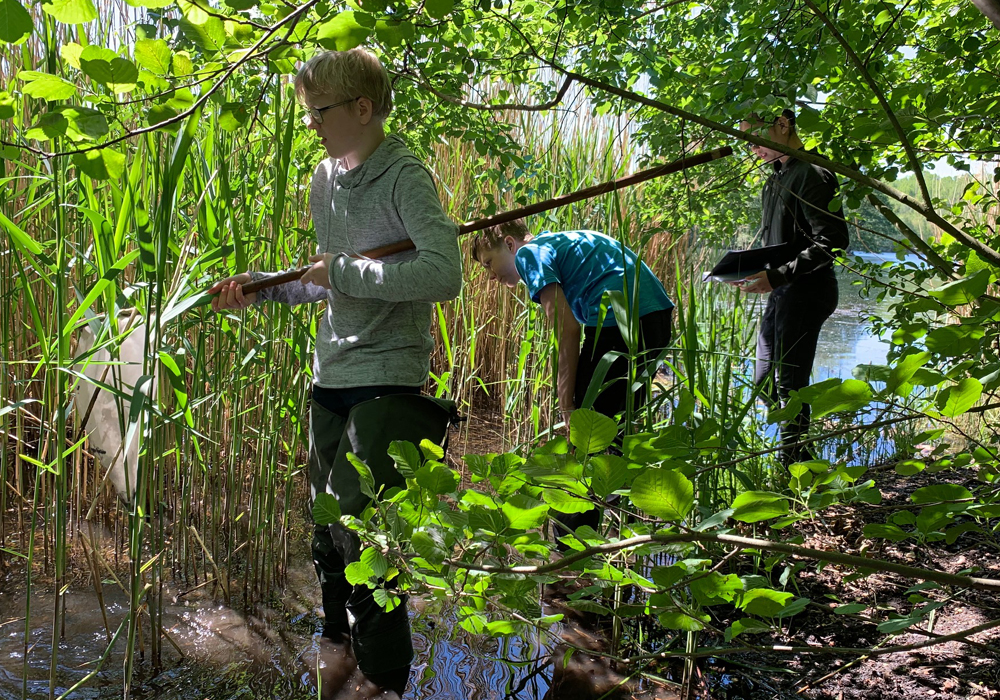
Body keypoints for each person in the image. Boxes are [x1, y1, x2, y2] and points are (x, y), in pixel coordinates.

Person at [208, 48, 462, 696]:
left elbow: (443, 274)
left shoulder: (404, 175)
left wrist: (344, 271)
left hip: (389, 377)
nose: (312, 124)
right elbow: (325, 282)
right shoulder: (324, 179)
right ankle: (335, 640)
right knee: (327, 522)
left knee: (364, 528)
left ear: (362, 108)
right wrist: (260, 288)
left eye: (319, 112)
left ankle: (383, 677)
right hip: (332, 373)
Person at [471, 220, 674, 538]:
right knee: (611, 434)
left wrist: (566, 404)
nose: (491, 276)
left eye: (488, 263)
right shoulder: (557, 244)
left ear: (510, 244)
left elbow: (566, 329)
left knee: (586, 434)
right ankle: (611, 528)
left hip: (621, 319)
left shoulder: (530, 254)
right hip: (654, 318)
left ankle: (569, 551)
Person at [737, 109, 850, 466]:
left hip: (808, 290)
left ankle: (793, 472)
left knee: (790, 387)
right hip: (782, 291)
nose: (752, 148)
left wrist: (778, 276)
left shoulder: (811, 173)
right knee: (764, 382)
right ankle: (805, 460)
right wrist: (752, 270)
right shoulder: (776, 178)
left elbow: (832, 240)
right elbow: (781, 244)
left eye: (754, 137)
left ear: (783, 125)